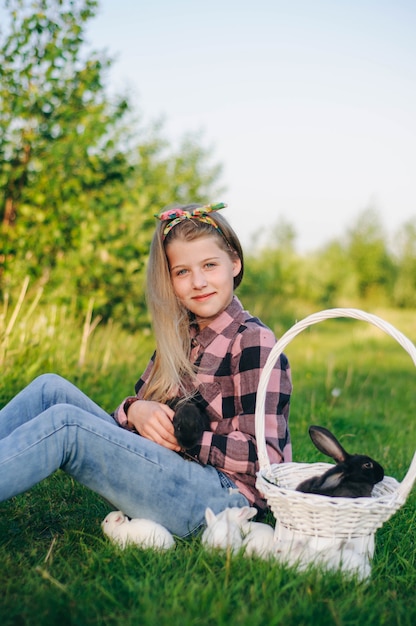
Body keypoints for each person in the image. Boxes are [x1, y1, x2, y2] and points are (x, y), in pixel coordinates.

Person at [0, 203, 292, 538]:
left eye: (210, 265)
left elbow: (266, 459)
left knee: (66, 425)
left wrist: (185, 439)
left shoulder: (253, 341)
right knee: (49, 388)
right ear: (168, 279)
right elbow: (127, 432)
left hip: (224, 500)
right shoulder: (180, 336)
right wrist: (136, 410)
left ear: (234, 263)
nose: (198, 282)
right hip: (177, 472)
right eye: (182, 272)